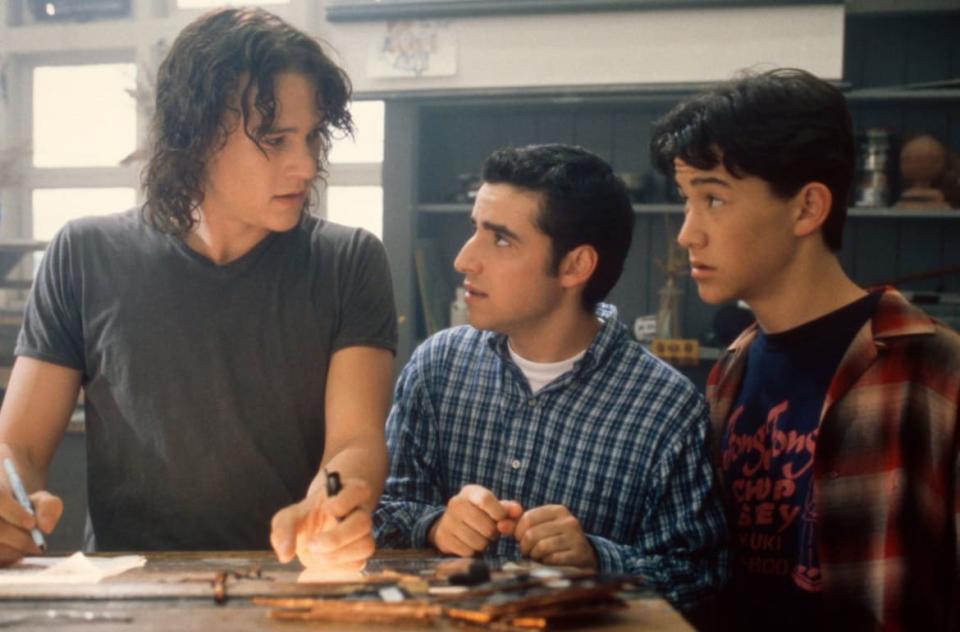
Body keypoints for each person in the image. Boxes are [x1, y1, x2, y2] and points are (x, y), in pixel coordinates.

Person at [0, 7, 396, 571]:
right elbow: (21, 447)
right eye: (277, 139)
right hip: (129, 588)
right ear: (195, 135)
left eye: (311, 138)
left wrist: (332, 502)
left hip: (285, 581)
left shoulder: (349, 261)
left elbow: (354, 444)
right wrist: (7, 496)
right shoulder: (84, 254)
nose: (306, 164)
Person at [651, 68, 960, 631]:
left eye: (714, 199)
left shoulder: (936, 374)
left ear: (807, 208)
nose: (687, 232)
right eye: (685, 200)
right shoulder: (729, 373)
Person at [374, 144, 728, 614]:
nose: (463, 260)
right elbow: (379, 515)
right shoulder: (437, 365)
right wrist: (437, 526)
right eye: (474, 229)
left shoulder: (665, 408)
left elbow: (702, 582)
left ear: (575, 266)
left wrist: (596, 558)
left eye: (500, 239)